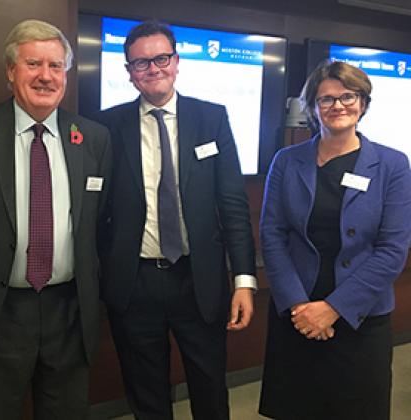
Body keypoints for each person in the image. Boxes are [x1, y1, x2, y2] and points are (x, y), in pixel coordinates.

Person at [0, 19, 112, 420]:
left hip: (69, 309)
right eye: (33, 64)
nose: (45, 76)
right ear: (10, 71)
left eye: (56, 66)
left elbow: (99, 221)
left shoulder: (93, 137)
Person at [95, 21, 257, 420]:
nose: (153, 68)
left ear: (177, 61)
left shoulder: (211, 119)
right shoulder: (106, 126)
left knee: (209, 386)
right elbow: (96, 210)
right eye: (141, 62)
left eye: (161, 58)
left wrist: (243, 280)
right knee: (145, 391)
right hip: (135, 283)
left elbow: (233, 204)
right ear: (129, 72)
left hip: (198, 279)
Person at [259, 61, 411, 420]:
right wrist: (299, 306)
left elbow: (392, 250)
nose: (338, 106)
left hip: (361, 317)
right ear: (312, 108)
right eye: (326, 99)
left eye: (348, 96)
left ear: (363, 102)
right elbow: (272, 234)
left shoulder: (392, 165)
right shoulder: (287, 161)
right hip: (296, 315)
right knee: (297, 408)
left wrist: (333, 308)